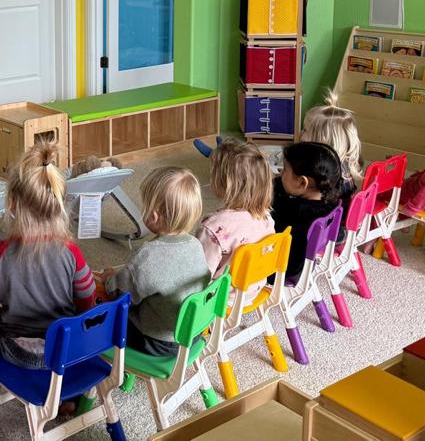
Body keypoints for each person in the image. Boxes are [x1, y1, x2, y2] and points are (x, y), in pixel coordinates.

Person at [0, 139, 96, 398]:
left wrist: (0, 325)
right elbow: (87, 299)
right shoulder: (71, 252)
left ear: (13, 204)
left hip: (16, 350)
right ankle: (69, 399)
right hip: (63, 348)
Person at [99, 168, 210, 357]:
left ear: (155, 216)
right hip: (194, 333)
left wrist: (109, 279)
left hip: (157, 341)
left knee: (102, 315)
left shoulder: (148, 255)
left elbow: (120, 294)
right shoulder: (195, 244)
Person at [196, 141, 274, 279]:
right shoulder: (266, 217)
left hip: (223, 298)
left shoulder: (212, 229)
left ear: (223, 184)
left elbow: (200, 276)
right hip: (253, 289)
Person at [271, 142, 345, 280]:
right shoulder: (332, 203)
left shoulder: (294, 211)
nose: (281, 172)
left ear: (302, 183)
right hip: (305, 266)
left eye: (285, 170)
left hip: (282, 271)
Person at [301, 91, 363, 186]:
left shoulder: (324, 174)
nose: (300, 133)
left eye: (305, 130)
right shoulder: (344, 166)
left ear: (322, 139)